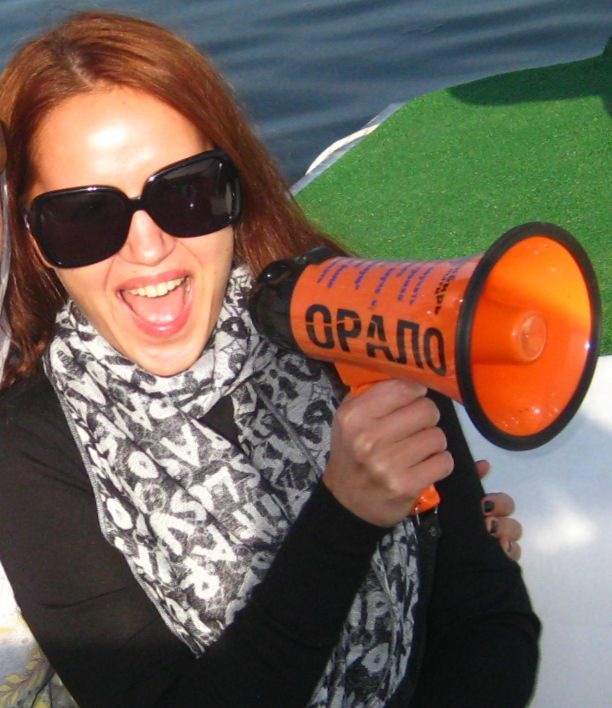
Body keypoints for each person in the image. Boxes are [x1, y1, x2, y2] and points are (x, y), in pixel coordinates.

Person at [0, 11, 538, 708]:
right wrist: (347, 516)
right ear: (35, 239)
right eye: (84, 216)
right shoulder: (29, 449)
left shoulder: (350, 317)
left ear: (234, 188)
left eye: (185, 191)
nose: (148, 247)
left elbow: (487, 615)